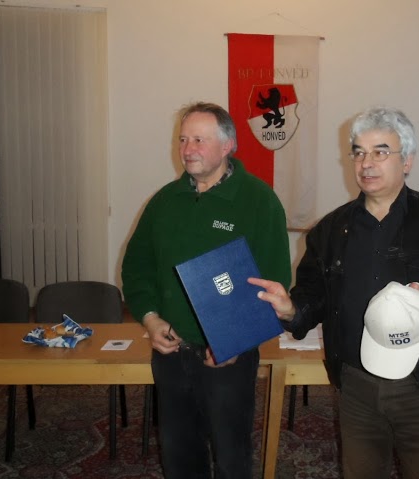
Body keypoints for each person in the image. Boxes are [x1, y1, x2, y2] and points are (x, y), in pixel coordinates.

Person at [249, 107, 419, 479]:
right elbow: (314, 295)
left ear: (407, 160)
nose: (366, 163)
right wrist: (291, 308)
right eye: (358, 152)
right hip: (357, 389)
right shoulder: (329, 230)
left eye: (381, 151)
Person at [121, 101, 291, 479]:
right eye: (183, 139)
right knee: (178, 451)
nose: (188, 149)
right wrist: (149, 318)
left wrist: (234, 341)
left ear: (228, 145)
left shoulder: (259, 201)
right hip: (171, 351)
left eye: (199, 139)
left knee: (231, 455)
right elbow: (137, 267)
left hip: (228, 357)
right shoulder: (164, 202)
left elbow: (275, 281)